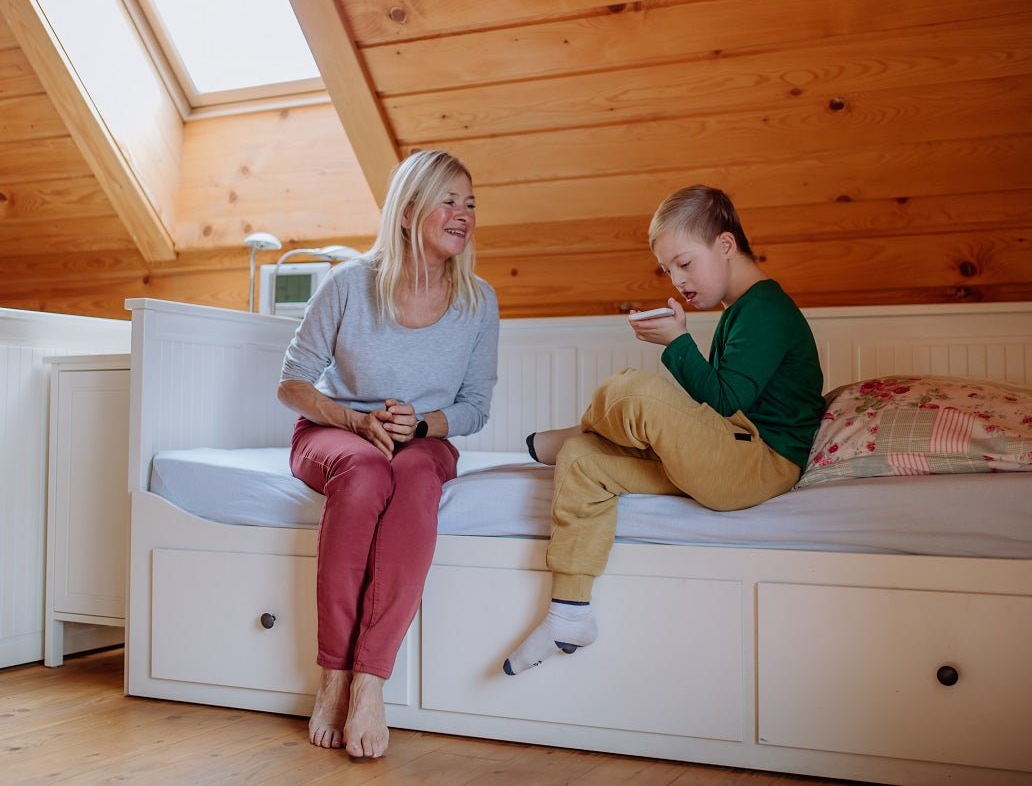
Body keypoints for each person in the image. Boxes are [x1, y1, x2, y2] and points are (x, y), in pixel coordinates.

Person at [503, 184, 824, 675]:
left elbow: (722, 400)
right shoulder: (740, 310)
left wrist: (676, 343)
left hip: (758, 464)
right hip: (730, 453)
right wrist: (683, 340)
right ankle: (569, 613)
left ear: (725, 244)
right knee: (583, 463)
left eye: (685, 263)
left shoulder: (767, 309)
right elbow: (717, 409)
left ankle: (575, 431)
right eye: (668, 270)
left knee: (632, 390)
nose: (677, 279)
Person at [278, 150, 500, 757]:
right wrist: (356, 420)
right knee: (367, 471)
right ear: (407, 212)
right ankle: (333, 677)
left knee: (415, 480)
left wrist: (422, 424)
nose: (463, 214)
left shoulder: (478, 301)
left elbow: (477, 406)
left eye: (470, 202)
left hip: (424, 441)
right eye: (448, 201)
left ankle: (370, 680)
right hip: (333, 432)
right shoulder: (348, 283)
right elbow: (292, 383)